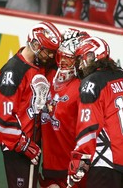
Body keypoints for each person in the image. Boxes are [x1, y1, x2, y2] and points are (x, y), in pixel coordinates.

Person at [0, 21, 62, 188]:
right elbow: (3, 118)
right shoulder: (13, 73)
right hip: (17, 147)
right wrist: (24, 145)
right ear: (35, 45)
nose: (51, 57)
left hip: (33, 143)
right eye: (48, 52)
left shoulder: (40, 64)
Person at [66, 36, 123, 188]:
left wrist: (80, 158)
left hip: (106, 161)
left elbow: (89, 127)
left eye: (81, 59)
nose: (79, 66)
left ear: (91, 57)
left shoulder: (92, 83)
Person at [38, 29, 90, 188]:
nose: (63, 63)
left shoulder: (85, 87)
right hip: (50, 163)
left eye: (69, 59)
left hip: (72, 166)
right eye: (61, 57)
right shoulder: (48, 74)